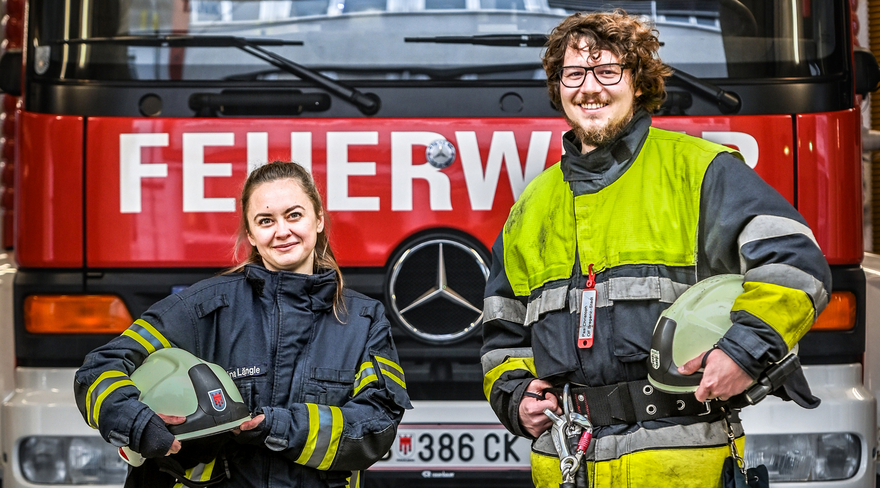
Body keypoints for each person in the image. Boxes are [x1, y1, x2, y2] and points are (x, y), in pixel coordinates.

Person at [480, 10, 830, 488]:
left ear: (638, 83)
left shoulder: (700, 170)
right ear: (558, 87)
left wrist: (744, 352)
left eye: (607, 71)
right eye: (574, 73)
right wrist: (516, 394)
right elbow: (502, 330)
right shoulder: (531, 207)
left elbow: (795, 265)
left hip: (682, 465)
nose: (590, 88)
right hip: (568, 465)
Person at [74, 161, 411, 488]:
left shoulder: (362, 320)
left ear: (319, 219)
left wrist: (281, 426)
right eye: (266, 220)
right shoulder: (202, 308)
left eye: (294, 215)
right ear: (250, 233)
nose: (282, 231)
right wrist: (136, 421)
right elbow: (99, 370)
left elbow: (377, 424)